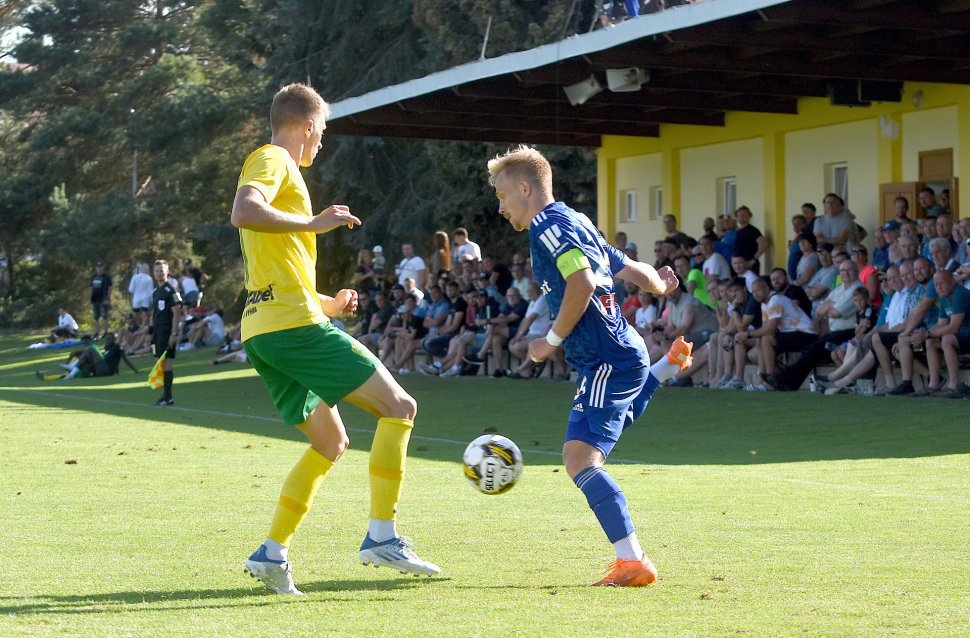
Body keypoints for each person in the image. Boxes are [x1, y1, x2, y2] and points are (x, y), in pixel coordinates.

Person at [230, 84, 440, 595]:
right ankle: (382, 537)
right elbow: (243, 209)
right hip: (292, 329)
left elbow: (276, 269)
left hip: (266, 329)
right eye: (320, 133)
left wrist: (328, 303)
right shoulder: (275, 157)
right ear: (306, 126)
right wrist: (315, 222)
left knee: (331, 441)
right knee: (400, 406)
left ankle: (272, 553)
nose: (320, 144)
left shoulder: (279, 166)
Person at [488, 144, 688, 587]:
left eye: (503, 195)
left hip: (605, 359)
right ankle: (665, 368)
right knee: (611, 424)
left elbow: (581, 281)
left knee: (580, 458)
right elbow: (625, 266)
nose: (500, 207)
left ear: (525, 187)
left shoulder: (547, 228)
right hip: (619, 352)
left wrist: (549, 341)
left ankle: (632, 560)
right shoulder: (573, 220)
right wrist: (659, 283)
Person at [147, 260, 184, 406]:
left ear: (167, 271)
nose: (159, 273)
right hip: (157, 331)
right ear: (153, 273)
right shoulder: (156, 292)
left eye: (162, 270)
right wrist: (149, 331)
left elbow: (177, 313)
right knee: (159, 360)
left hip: (167, 330)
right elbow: (153, 314)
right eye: (156, 271)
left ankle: (168, 396)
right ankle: (165, 394)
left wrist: (173, 334)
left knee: (165, 361)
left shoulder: (171, 290)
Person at [90, 261, 112, 339]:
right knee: (96, 317)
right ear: (96, 268)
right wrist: (90, 298)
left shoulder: (106, 277)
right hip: (95, 299)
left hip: (103, 299)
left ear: (103, 267)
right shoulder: (94, 277)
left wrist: (107, 298)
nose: (99, 268)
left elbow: (109, 288)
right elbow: (91, 288)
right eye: (98, 267)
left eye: (101, 267)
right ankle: (96, 333)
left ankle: (106, 332)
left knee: (105, 317)